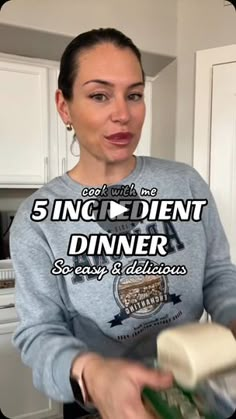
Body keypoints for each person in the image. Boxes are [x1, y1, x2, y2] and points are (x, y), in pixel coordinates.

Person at [10, 28, 236, 419]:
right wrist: (93, 374)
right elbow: (38, 333)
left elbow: (216, 272)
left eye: (134, 94)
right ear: (64, 106)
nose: (123, 114)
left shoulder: (184, 183)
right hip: (103, 402)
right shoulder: (37, 220)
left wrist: (233, 315)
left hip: (198, 384)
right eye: (100, 95)